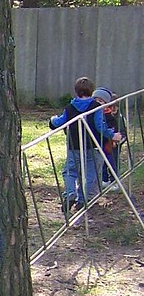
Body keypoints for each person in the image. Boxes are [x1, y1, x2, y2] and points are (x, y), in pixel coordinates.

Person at [49, 76, 121, 211]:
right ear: (91, 91)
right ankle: (82, 199)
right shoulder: (95, 107)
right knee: (90, 174)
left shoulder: (70, 107)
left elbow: (59, 122)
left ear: (76, 91)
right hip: (91, 146)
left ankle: (70, 193)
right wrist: (113, 135)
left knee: (70, 172)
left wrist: (52, 120)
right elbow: (100, 126)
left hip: (73, 146)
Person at [91, 87, 124, 187]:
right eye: (111, 106)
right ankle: (104, 179)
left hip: (113, 144)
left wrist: (117, 140)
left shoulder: (117, 118)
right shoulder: (100, 114)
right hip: (102, 142)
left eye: (115, 107)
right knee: (103, 162)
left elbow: (121, 131)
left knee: (113, 162)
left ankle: (114, 181)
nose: (113, 109)